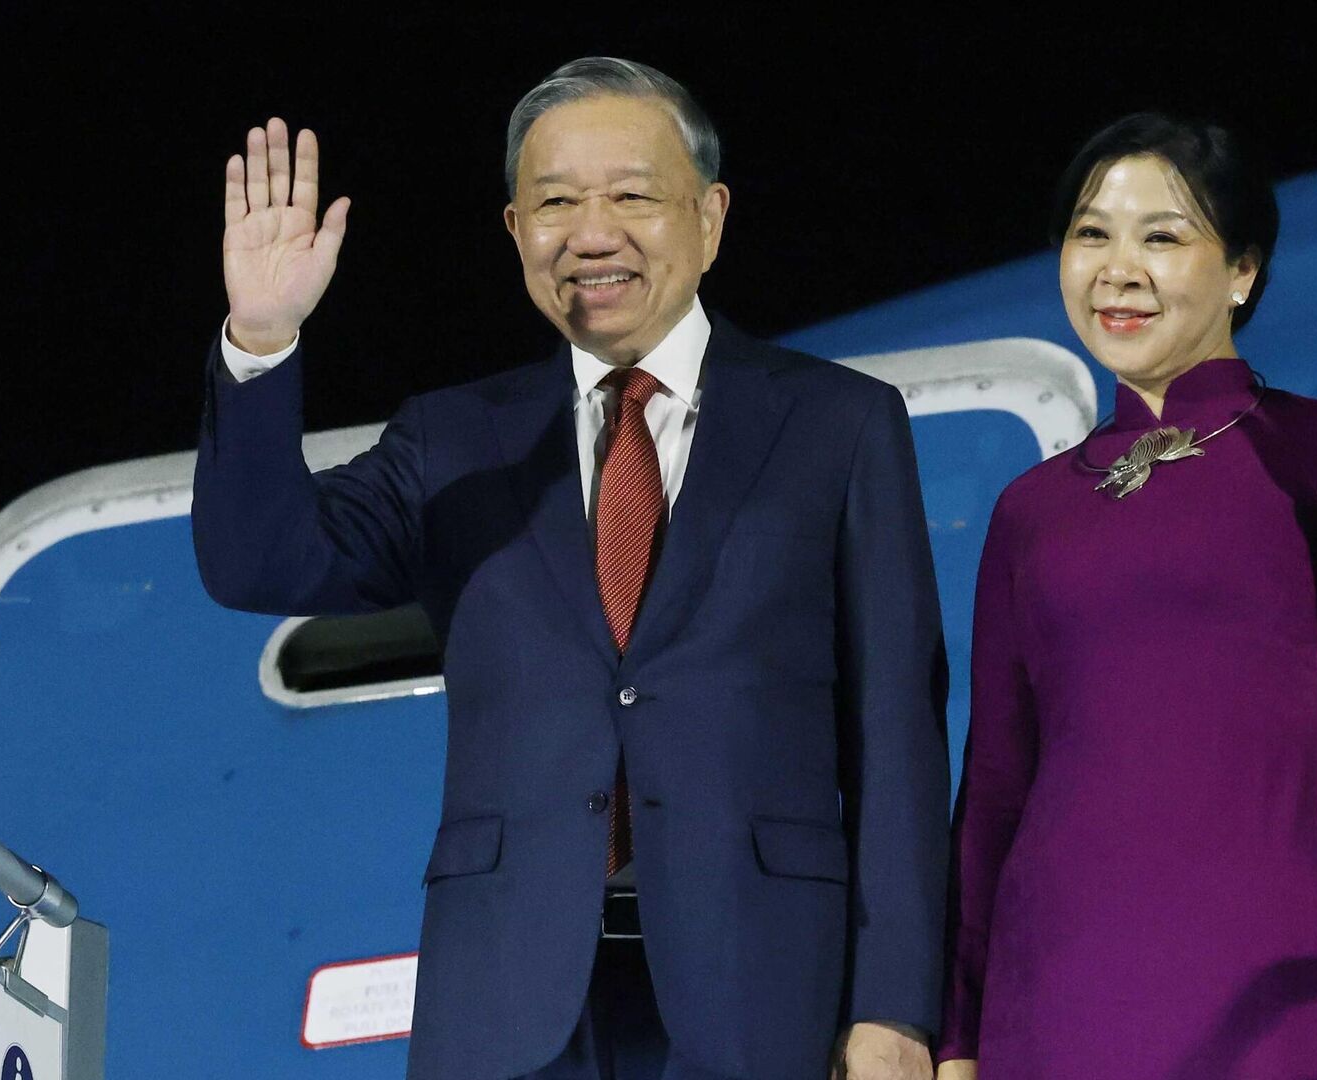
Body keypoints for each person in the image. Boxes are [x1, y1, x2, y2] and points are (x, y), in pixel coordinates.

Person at [193, 58, 949, 1080]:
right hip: (507, 1003)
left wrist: (896, 1009)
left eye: (632, 196)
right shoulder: (456, 439)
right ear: (515, 230)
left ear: (710, 218)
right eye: (555, 203)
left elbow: (896, 734)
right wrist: (261, 339)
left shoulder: (839, 425)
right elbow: (259, 563)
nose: (592, 234)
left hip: (762, 991)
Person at [935, 113, 1317, 1079]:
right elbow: (994, 788)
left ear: (1241, 271)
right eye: (1091, 233)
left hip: (1266, 964)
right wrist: (957, 1037)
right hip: (1056, 984)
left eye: (1161, 236)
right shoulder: (1032, 508)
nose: (1117, 269)